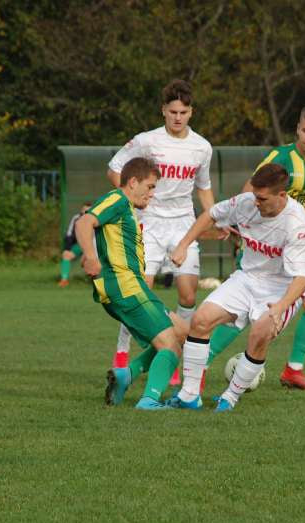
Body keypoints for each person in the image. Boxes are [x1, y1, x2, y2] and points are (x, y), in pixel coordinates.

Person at [205, 102, 305, 392]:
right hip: (264, 243)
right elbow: (253, 190)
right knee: (242, 310)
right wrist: (244, 229)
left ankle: (293, 371)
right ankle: (202, 361)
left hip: (292, 243)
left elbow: (303, 197)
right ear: (297, 129)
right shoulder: (282, 156)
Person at [167, 163, 305, 412]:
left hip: (281, 288)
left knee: (260, 334)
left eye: (262, 198)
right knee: (201, 320)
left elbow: (301, 278)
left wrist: (280, 307)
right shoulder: (246, 202)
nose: (256, 202)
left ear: (281, 195)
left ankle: (230, 397)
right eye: (255, 195)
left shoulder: (296, 222)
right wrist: (183, 245)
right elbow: (211, 214)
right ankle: (189, 395)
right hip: (247, 278)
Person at [106, 79, 214, 374]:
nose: (178, 117)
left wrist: (214, 216)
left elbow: (203, 188)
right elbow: (114, 168)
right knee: (140, 292)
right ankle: (122, 354)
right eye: (173, 111)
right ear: (163, 110)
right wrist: (134, 200)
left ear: (191, 112)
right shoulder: (147, 141)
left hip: (183, 224)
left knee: (188, 294)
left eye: (184, 112)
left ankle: (177, 353)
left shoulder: (202, 147)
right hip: (149, 223)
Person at [75, 157, 188, 410]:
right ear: (133, 182)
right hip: (125, 287)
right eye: (149, 187)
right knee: (169, 343)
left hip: (129, 287)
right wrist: (91, 257)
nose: (152, 194)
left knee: (182, 332)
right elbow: (85, 222)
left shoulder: (126, 208)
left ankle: (126, 375)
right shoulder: (117, 199)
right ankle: (149, 400)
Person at [57, 201, 91, 287]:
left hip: (93, 246)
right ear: (81, 210)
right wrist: (67, 249)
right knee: (66, 255)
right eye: (84, 210)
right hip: (79, 246)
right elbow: (69, 235)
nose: (85, 213)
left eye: (88, 211)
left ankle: (97, 281)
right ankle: (64, 280)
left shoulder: (96, 219)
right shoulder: (76, 218)